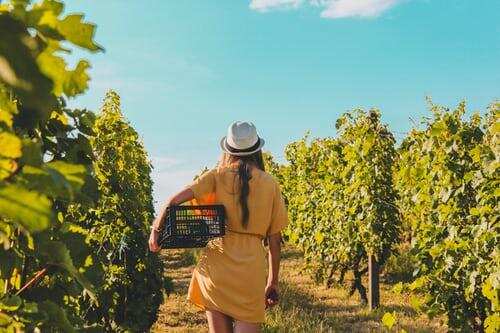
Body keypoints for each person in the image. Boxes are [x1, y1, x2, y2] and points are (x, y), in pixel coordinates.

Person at [149, 121, 288, 333]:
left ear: (229, 149)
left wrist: (156, 231)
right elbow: (275, 240)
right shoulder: (270, 184)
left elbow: (172, 201)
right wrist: (273, 282)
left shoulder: (216, 175)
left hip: (216, 266)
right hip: (250, 272)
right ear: (256, 149)